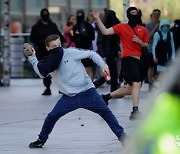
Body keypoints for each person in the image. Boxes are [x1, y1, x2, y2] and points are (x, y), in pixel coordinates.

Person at [24, 34, 126, 148]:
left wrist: (103, 65)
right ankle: (41, 140)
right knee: (52, 116)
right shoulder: (49, 62)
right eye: (54, 46)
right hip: (69, 97)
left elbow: (91, 54)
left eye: (59, 45)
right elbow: (41, 72)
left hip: (88, 92)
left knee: (106, 113)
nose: (58, 48)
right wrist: (32, 57)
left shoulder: (70, 52)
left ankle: (123, 137)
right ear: (47, 48)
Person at [93, 7, 149, 120]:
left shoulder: (142, 29)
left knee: (130, 89)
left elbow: (146, 44)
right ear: (128, 15)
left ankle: (106, 97)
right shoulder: (122, 27)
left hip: (138, 61)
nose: (134, 14)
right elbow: (105, 31)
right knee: (137, 84)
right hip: (128, 60)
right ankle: (135, 111)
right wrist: (97, 19)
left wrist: (139, 41)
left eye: (135, 13)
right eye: (131, 13)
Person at [30, 8, 66, 95]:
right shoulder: (36, 27)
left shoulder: (53, 25)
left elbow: (59, 35)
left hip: (53, 52)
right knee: (45, 70)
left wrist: (63, 43)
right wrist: (39, 43)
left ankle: (61, 87)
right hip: (42, 51)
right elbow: (32, 38)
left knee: (58, 69)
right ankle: (47, 87)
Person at [73, 9, 95, 80]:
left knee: (88, 68)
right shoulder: (75, 26)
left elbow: (92, 37)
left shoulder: (88, 25)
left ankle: (90, 86)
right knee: (80, 69)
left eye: (80, 14)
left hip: (87, 50)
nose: (79, 16)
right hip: (78, 51)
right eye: (78, 15)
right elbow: (73, 38)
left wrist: (83, 37)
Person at [146, 9, 161, 90]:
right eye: (155, 14)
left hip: (161, 49)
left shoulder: (162, 24)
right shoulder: (149, 25)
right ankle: (150, 83)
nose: (156, 16)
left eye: (158, 14)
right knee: (151, 66)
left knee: (161, 67)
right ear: (152, 15)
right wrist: (155, 27)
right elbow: (148, 36)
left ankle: (159, 82)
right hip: (151, 48)